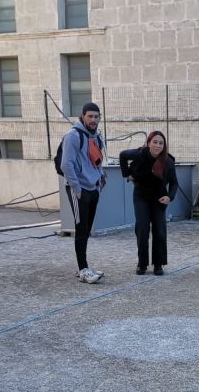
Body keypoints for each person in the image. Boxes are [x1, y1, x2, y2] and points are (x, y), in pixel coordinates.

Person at [119, 131, 177, 276]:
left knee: (159, 230)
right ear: (149, 142)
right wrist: (126, 174)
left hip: (159, 198)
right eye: (155, 142)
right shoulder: (139, 154)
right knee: (142, 229)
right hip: (141, 196)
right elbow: (122, 155)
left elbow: (175, 183)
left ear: (164, 146)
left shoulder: (168, 162)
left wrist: (170, 197)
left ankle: (158, 264)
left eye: (161, 143)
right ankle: (142, 264)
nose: (158, 145)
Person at [61, 102, 107, 284]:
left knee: (87, 229)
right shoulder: (73, 136)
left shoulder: (96, 136)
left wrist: (101, 177)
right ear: (83, 116)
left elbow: (97, 160)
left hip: (93, 187)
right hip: (78, 189)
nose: (93, 120)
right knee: (81, 230)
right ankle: (83, 270)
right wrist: (77, 188)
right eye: (90, 116)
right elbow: (66, 164)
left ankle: (83, 266)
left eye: (96, 116)